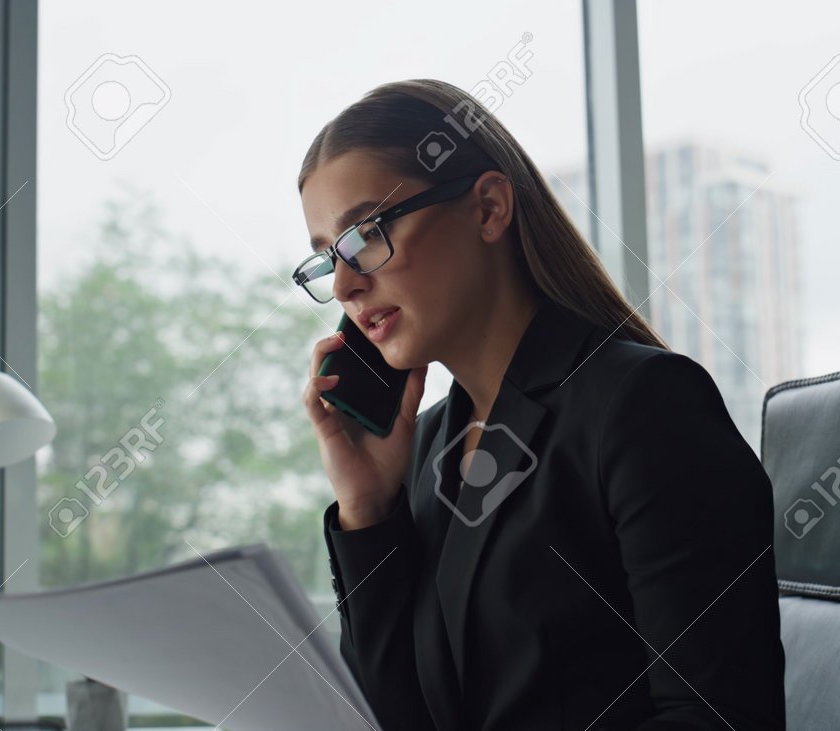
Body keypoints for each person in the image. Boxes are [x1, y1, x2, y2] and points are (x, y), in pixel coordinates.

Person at [295, 79, 786, 730]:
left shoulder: (645, 406)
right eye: (327, 258)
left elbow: (718, 716)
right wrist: (367, 509)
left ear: (489, 208)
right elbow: (395, 716)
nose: (344, 284)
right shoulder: (428, 446)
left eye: (365, 235)